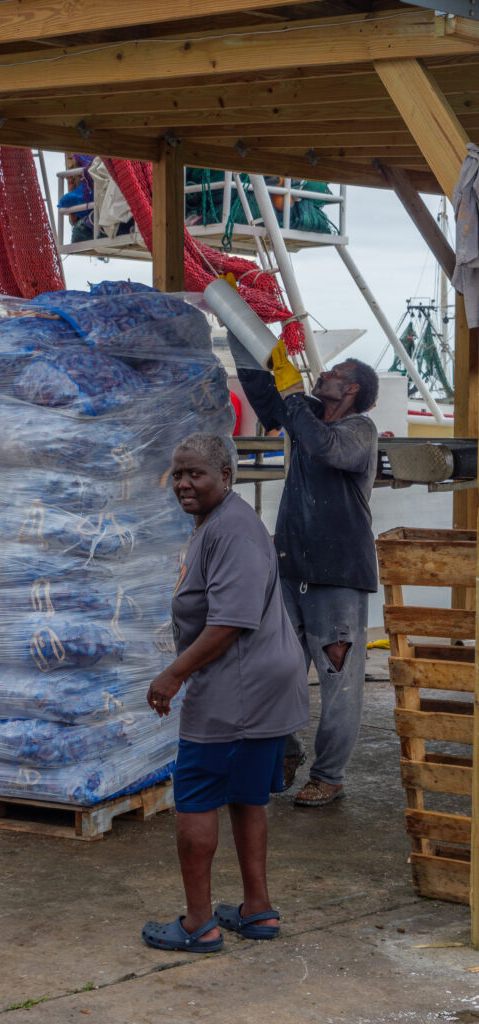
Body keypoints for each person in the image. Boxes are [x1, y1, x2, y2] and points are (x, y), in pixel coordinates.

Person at [141, 433, 309, 954]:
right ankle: (256, 911)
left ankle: (198, 923)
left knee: (195, 797)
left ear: (227, 477)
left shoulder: (232, 530)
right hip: (260, 681)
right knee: (246, 795)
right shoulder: (218, 525)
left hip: (239, 684)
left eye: (197, 474)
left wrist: (174, 674)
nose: (185, 484)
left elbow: (229, 622)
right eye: (179, 474)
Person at [230, 335, 380, 808]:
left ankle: (329, 775)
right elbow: (266, 399)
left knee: (338, 683)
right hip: (291, 569)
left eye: (335, 371)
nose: (324, 373)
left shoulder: (359, 430)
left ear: (352, 388)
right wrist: (241, 336)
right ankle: (286, 749)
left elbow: (323, 449)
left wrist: (294, 393)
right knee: (274, 669)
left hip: (338, 577)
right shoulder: (307, 417)